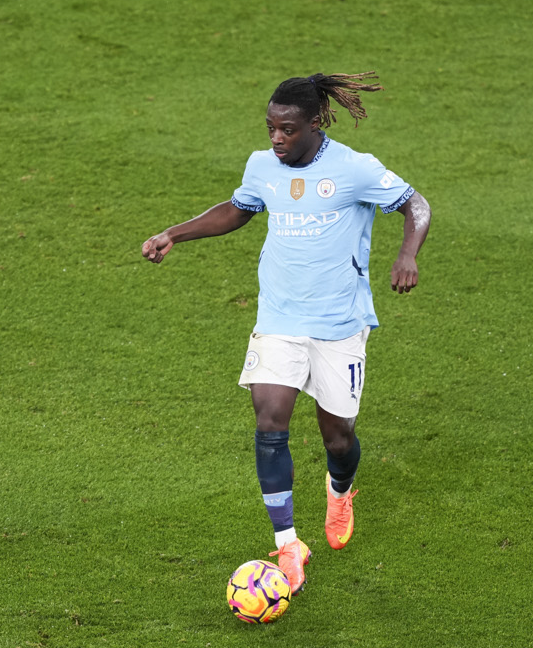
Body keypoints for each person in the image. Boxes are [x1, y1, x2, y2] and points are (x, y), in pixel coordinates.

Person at [141, 72, 431, 593]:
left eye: (288, 130)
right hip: (279, 320)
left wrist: (407, 253)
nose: (276, 139)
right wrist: (174, 234)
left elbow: (416, 204)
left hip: (339, 326)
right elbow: (238, 209)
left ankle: (340, 491)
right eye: (271, 128)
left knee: (337, 437)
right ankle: (288, 543)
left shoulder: (354, 169)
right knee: (270, 419)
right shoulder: (262, 166)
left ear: (315, 124)